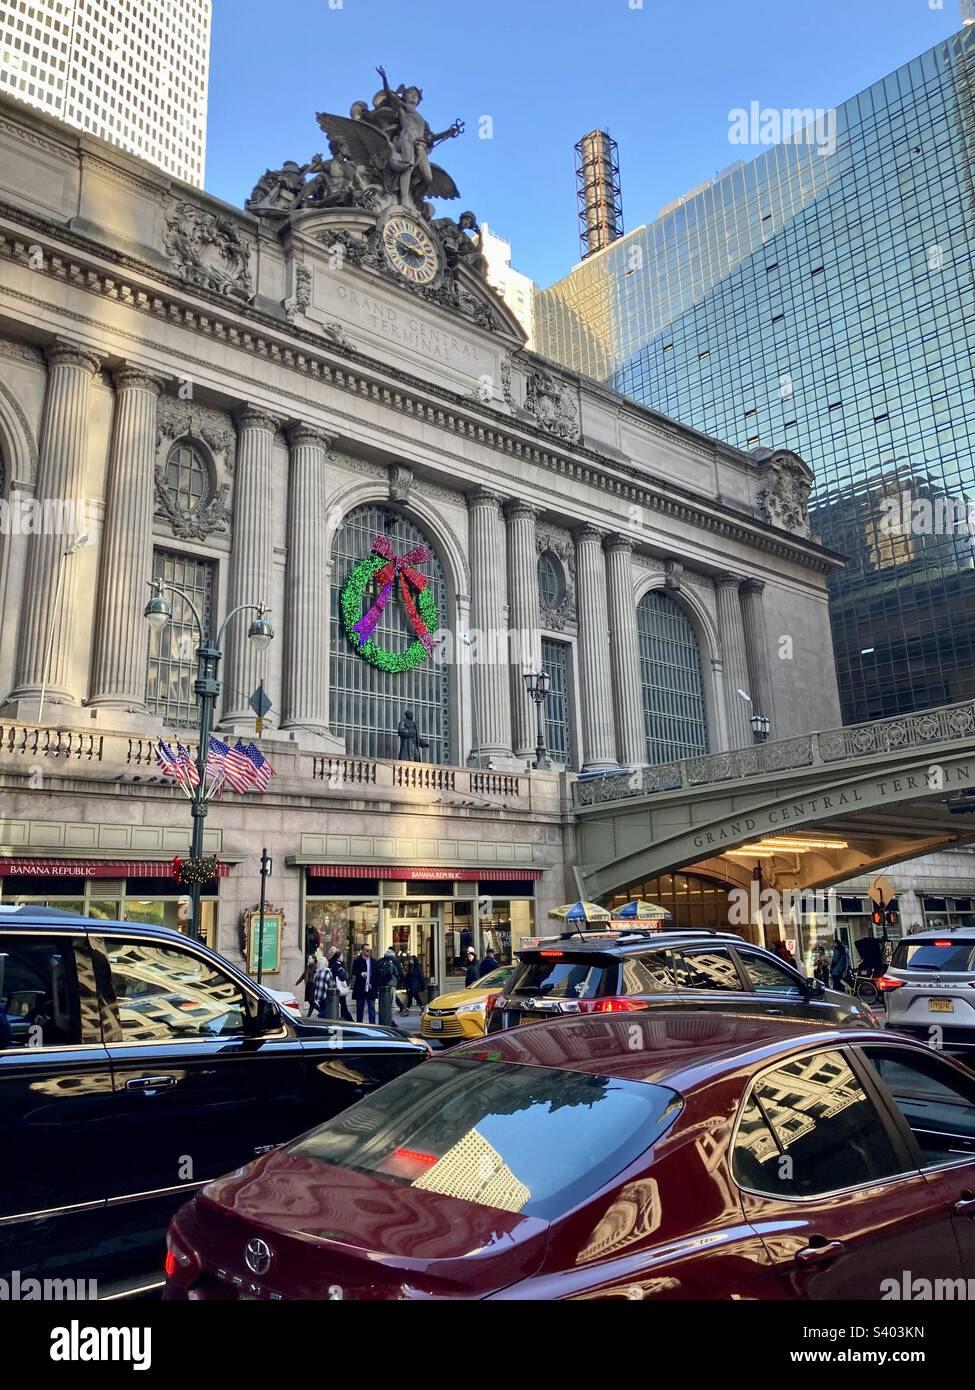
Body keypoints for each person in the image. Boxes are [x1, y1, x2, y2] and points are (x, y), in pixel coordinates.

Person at [351, 943, 379, 1024]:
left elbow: (376, 975)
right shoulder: (357, 961)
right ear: (362, 951)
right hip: (360, 987)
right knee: (360, 1008)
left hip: (371, 988)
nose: (369, 952)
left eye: (370, 950)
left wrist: (375, 986)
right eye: (367, 950)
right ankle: (359, 1024)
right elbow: (354, 972)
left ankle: (372, 1025)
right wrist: (360, 973)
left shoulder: (374, 961)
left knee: (371, 1007)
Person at [380, 947, 407, 1015]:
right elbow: (400, 972)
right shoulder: (395, 960)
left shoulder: (381, 960)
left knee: (384, 1002)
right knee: (392, 1003)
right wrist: (402, 982)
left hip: (382, 984)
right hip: (391, 983)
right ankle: (390, 1020)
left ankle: (385, 1017)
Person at [330, 947, 354, 1022]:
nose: (342, 957)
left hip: (334, 987)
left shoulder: (332, 965)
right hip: (339, 987)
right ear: (337, 958)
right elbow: (343, 977)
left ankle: (344, 1017)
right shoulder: (339, 966)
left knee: (340, 1004)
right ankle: (349, 1019)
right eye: (341, 956)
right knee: (343, 1004)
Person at [311, 952, 334, 1019]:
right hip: (325, 994)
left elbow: (314, 983)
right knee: (327, 1010)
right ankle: (317, 1017)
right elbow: (332, 984)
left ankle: (322, 1022)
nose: (328, 962)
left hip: (318, 995)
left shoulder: (316, 973)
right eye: (327, 961)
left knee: (322, 1008)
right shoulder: (327, 972)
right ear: (324, 963)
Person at [296, 950, 318, 1016]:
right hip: (308, 984)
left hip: (313, 985)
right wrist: (298, 981)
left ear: (314, 959)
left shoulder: (315, 966)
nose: (308, 959)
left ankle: (320, 1010)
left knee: (311, 1000)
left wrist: (308, 967)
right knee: (311, 1001)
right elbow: (304, 974)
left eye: (310, 958)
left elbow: (311, 975)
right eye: (308, 958)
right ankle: (309, 1015)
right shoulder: (308, 966)